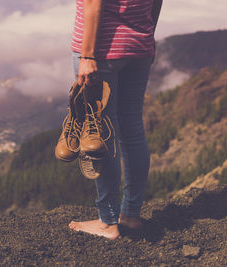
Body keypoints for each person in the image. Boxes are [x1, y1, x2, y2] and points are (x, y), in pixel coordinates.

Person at [66, 0, 163, 239]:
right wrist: (148, 34)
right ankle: (130, 214)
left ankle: (107, 222)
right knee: (133, 130)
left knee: (102, 133)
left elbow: (92, 2)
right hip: (139, 46)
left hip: (101, 51)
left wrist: (87, 56)